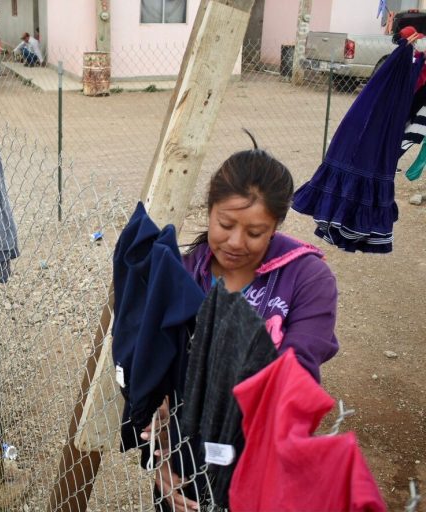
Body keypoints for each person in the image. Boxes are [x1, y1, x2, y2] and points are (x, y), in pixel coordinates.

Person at [148, 133, 340, 510]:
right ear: (209, 211)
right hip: (185, 452)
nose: (236, 242)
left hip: (262, 451)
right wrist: (160, 459)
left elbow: (298, 370)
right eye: (225, 224)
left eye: (255, 233)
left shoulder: (307, 278)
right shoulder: (184, 275)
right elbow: (154, 372)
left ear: (276, 225)